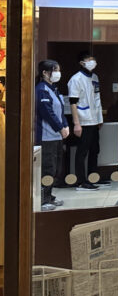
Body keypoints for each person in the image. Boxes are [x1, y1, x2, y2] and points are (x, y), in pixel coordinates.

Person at [67, 50, 105, 190]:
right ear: (82, 63)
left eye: (93, 59)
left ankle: (92, 177)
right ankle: (81, 181)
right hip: (83, 120)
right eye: (89, 60)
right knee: (82, 151)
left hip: (94, 120)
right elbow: (73, 102)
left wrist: (99, 119)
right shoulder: (76, 79)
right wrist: (76, 124)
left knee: (95, 149)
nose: (92, 62)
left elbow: (97, 98)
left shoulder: (95, 77)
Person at [35, 60, 68, 210]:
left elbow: (60, 111)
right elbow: (47, 113)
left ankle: (49, 195)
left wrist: (65, 125)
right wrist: (60, 128)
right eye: (55, 70)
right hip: (46, 136)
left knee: (56, 168)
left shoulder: (53, 89)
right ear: (45, 73)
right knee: (47, 168)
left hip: (56, 136)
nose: (58, 73)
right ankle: (43, 200)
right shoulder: (41, 90)